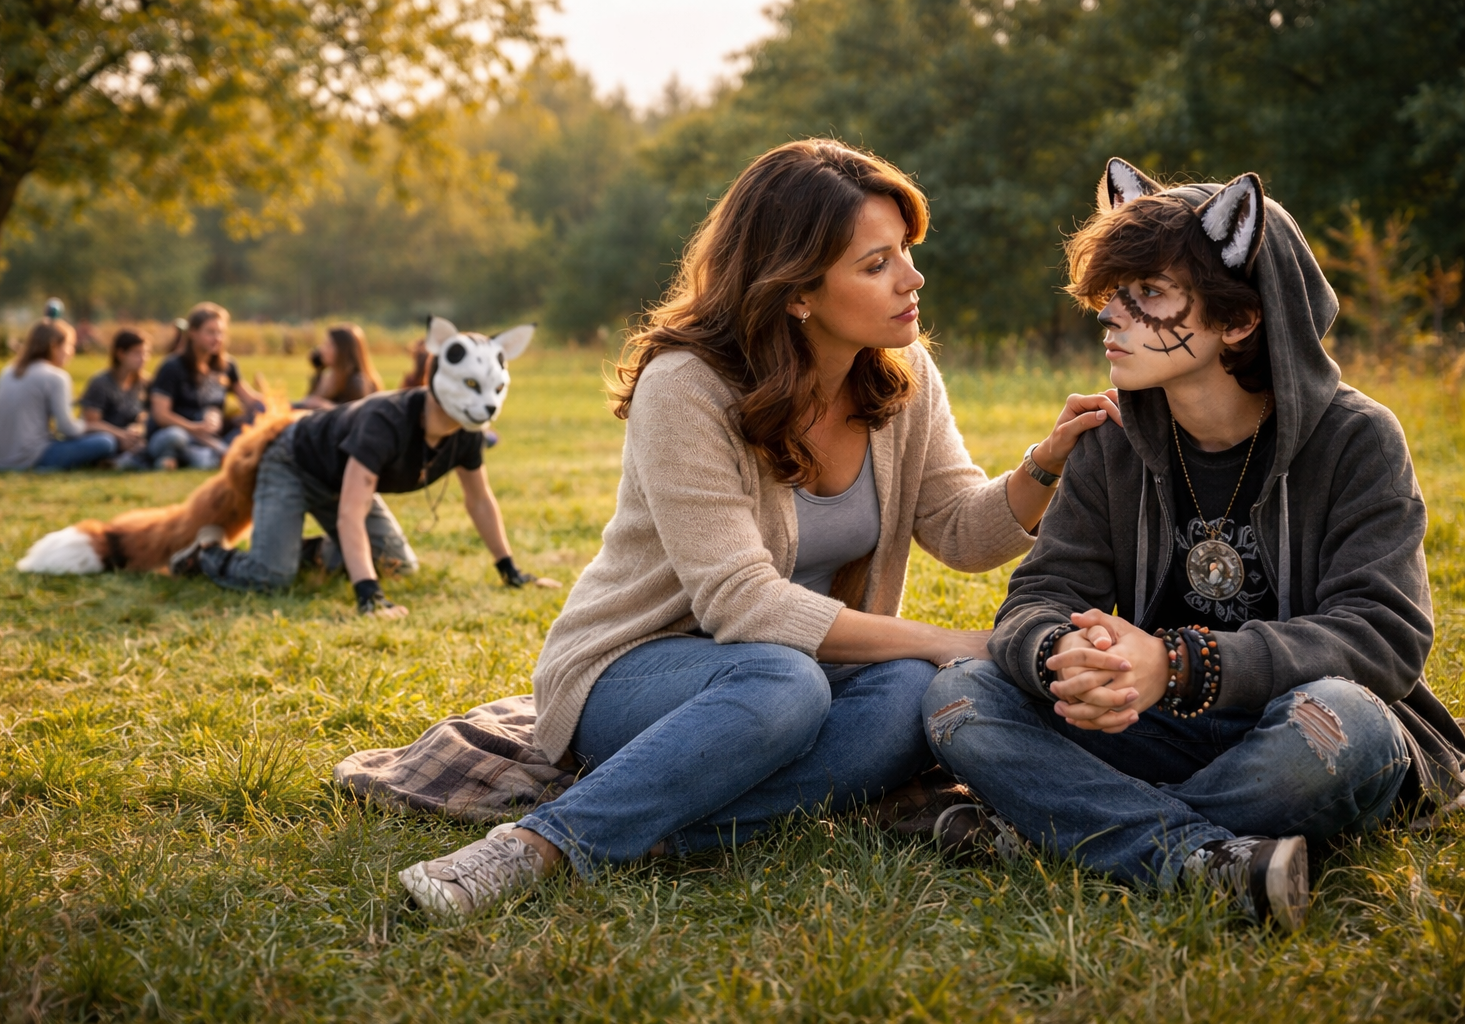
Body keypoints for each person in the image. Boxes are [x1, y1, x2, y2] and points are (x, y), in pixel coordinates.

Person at [396, 139, 1120, 920]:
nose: (912, 279)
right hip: (638, 667)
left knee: (919, 692)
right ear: (798, 292)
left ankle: (670, 829)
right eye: (875, 264)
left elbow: (959, 531)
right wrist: (952, 640)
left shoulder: (903, 376)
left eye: (905, 252)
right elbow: (743, 607)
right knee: (790, 682)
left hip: (800, 670)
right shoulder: (686, 388)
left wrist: (1043, 465)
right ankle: (539, 846)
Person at [920, 159, 1463, 932]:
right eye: (1114, 294)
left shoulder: (1357, 438)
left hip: (1293, 724)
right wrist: (1059, 657)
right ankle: (1204, 862)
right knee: (959, 696)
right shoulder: (1111, 442)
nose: (1113, 316)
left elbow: (1382, 635)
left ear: (1239, 320)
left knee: (1342, 720)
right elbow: (1037, 601)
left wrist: (1179, 664)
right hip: (1149, 730)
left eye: (1149, 296)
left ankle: (1057, 832)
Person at [168, 320, 551, 617]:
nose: (485, 403)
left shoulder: (466, 427)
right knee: (271, 577)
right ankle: (207, 552)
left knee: (398, 563)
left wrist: (510, 571)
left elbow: (479, 500)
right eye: (470, 385)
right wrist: (369, 595)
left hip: (342, 478)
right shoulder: (386, 420)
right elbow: (351, 511)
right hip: (293, 461)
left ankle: (290, 548)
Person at [0, 318, 117, 471]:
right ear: (54, 346)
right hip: (33, 457)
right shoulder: (56, 377)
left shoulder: (8, 371)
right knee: (106, 442)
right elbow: (67, 429)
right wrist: (94, 427)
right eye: (69, 345)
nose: (71, 352)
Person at [148, 302, 263, 470]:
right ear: (193, 333)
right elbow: (160, 414)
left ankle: (187, 458)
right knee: (175, 437)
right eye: (210, 332)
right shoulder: (172, 366)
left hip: (212, 436)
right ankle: (193, 455)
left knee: (257, 422)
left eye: (220, 333)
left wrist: (277, 406)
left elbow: (250, 400)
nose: (217, 338)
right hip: (177, 433)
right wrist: (194, 428)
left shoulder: (227, 366)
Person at [79, 329, 151, 468]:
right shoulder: (101, 383)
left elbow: (146, 415)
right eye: (137, 353)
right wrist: (121, 435)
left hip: (132, 438)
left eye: (146, 353)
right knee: (106, 443)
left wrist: (138, 429)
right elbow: (91, 423)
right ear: (120, 354)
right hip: (106, 437)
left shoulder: (145, 383)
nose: (143, 358)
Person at [295, 324, 383, 410]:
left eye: (329, 345)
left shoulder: (356, 383)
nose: (322, 349)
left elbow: (357, 416)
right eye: (324, 344)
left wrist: (324, 406)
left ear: (344, 350)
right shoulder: (321, 376)